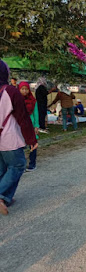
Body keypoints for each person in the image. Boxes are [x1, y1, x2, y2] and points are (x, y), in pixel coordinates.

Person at [0, 60, 38, 215]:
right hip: (9, 137)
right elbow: (22, 118)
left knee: (2, 169)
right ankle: (1, 193)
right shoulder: (10, 91)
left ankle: (5, 198)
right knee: (18, 165)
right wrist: (32, 140)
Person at [18, 82, 39, 171]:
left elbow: (36, 113)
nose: (24, 91)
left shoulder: (33, 101)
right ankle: (21, 164)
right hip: (20, 125)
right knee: (19, 146)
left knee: (33, 144)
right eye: (22, 89)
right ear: (19, 90)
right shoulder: (16, 100)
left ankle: (32, 164)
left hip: (31, 124)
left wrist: (36, 125)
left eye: (26, 89)